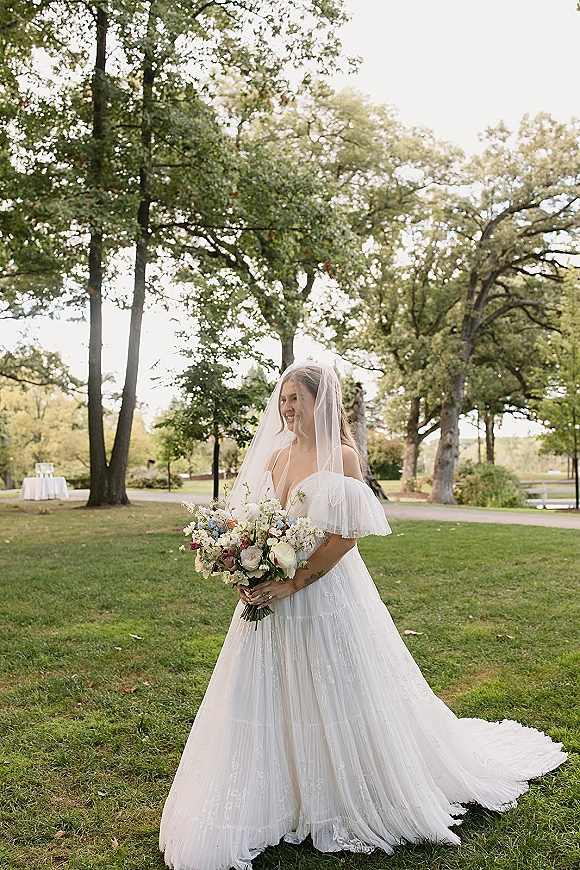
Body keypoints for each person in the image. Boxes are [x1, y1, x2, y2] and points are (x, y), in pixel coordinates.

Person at [159, 362, 566, 870]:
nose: (288, 408)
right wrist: (244, 564)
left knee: (335, 686)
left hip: (323, 592)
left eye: (297, 399)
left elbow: (345, 537)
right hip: (269, 593)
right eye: (283, 399)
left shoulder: (343, 457)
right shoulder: (276, 456)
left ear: (321, 403)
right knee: (263, 690)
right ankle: (276, 793)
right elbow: (251, 521)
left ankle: (336, 789)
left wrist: (293, 581)